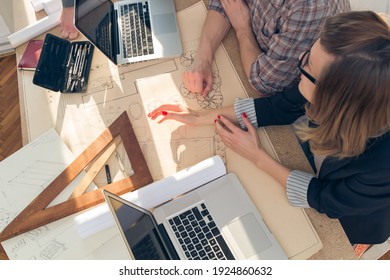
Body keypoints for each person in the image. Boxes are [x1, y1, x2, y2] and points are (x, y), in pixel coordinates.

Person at [148, 11, 390, 245]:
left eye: (309, 66)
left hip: (350, 219)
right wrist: (200, 116)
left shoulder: (382, 165)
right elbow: (283, 106)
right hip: (326, 161)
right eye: (309, 54)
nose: (300, 63)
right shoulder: (347, 86)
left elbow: (324, 198)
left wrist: (257, 156)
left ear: (338, 101)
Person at [184, 0, 350, 97]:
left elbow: (265, 82)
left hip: (291, 98)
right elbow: (228, 4)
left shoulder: (310, 9)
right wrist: (203, 58)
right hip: (247, 53)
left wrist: (243, 27)